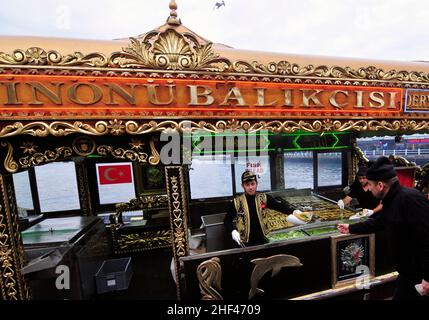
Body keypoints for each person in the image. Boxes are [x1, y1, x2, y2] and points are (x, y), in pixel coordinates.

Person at [337, 156, 429, 299]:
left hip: (419, 275)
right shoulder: (391, 200)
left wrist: (427, 277)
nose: (369, 189)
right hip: (407, 273)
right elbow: (379, 222)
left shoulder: (410, 199)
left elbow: (427, 239)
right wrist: (350, 228)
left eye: (370, 185)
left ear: (380, 185)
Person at [224, 170, 300, 247]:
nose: (250, 187)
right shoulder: (236, 202)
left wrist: (294, 211)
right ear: (242, 186)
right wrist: (233, 230)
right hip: (244, 242)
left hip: (263, 240)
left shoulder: (264, 198)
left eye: (252, 184)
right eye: (247, 185)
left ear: (257, 184)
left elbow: (279, 206)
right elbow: (227, 220)